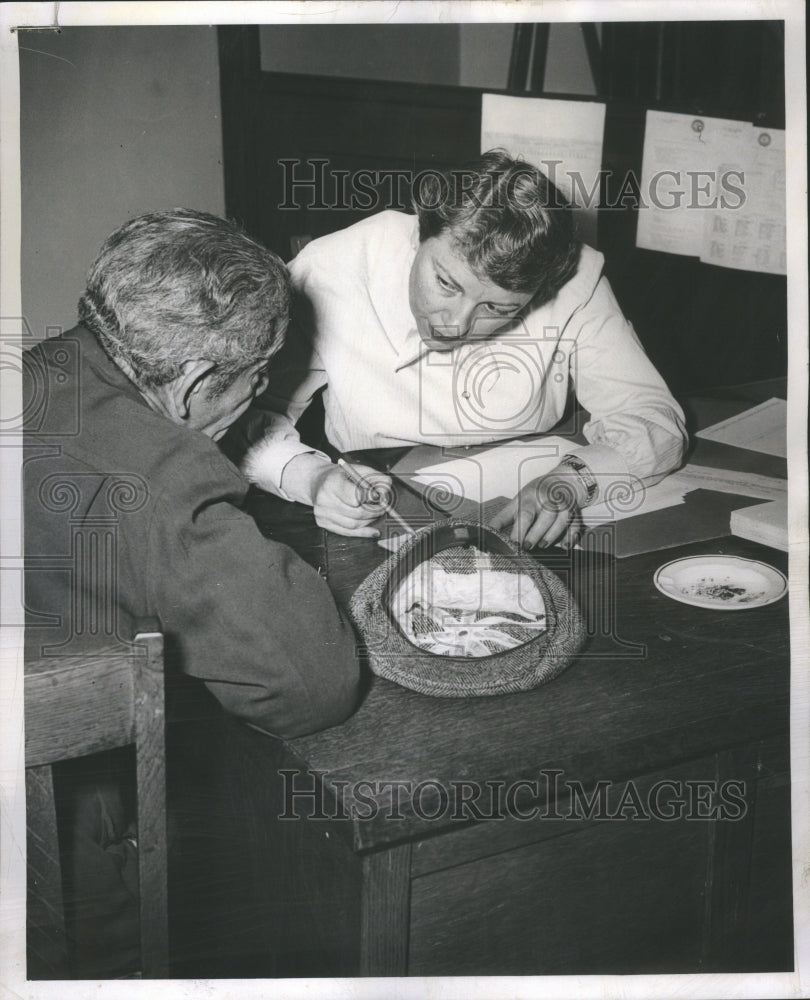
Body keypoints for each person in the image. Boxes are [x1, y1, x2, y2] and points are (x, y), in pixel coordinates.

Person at [24, 209, 361, 976]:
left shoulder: (36, 369)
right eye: (259, 374)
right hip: (46, 868)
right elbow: (313, 684)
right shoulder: (165, 478)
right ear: (201, 381)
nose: (262, 390)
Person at [234, 150, 687, 548]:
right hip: (379, 499)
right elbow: (245, 416)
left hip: (538, 478)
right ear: (419, 231)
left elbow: (652, 418)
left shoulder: (575, 279)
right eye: (445, 283)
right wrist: (312, 479)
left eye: (497, 307)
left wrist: (574, 478)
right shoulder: (331, 269)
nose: (456, 323)